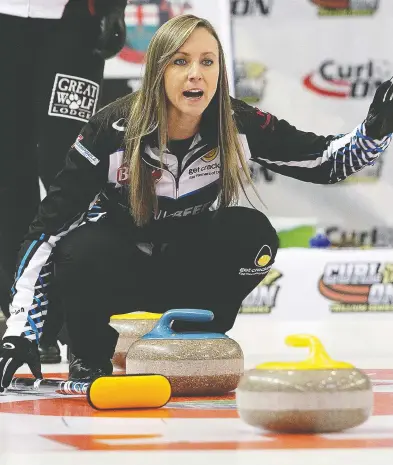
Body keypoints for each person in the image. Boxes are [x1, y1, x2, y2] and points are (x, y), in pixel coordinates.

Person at [1, 14, 393, 390]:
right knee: (79, 248)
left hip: (183, 268)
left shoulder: (236, 121)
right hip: (115, 269)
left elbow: (322, 161)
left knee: (251, 234)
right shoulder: (110, 130)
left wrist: (373, 133)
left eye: (208, 61)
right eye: (181, 61)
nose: (196, 73)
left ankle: (196, 333)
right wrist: (20, 331)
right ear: (158, 71)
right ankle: (88, 355)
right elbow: (47, 233)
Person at [0, 0, 127, 363]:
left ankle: (79, 318)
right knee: (7, 172)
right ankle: (24, 320)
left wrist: (115, 5)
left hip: (73, 21)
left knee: (70, 165)